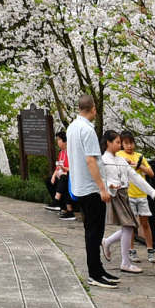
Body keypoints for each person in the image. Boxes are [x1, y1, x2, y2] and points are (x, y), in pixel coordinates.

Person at [66, 93, 114, 287]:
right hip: (91, 188)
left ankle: (98, 268)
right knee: (95, 231)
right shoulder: (87, 130)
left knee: (91, 231)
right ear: (93, 108)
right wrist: (102, 187)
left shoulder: (72, 127)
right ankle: (94, 273)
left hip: (79, 186)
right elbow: (91, 160)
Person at [97, 130, 142, 274]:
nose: (121, 145)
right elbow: (102, 177)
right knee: (129, 226)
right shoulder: (104, 159)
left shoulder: (119, 159)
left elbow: (134, 176)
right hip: (115, 195)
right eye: (118, 142)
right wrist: (109, 186)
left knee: (129, 226)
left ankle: (108, 242)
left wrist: (152, 192)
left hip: (123, 194)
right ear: (108, 143)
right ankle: (125, 262)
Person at [118, 133, 155, 262]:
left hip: (141, 194)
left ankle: (150, 250)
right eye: (126, 143)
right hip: (128, 194)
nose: (129, 146)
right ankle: (131, 250)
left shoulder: (139, 156)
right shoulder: (119, 155)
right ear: (122, 144)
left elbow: (151, 173)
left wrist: (139, 166)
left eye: (131, 143)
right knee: (131, 224)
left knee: (145, 223)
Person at [44, 130, 73, 217]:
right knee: (49, 180)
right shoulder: (61, 153)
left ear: (65, 141)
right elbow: (58, 167)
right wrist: (53, 176)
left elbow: (73, 168)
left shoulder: (70, 153)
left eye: (59, 140)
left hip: (69, 175)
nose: (57, 142)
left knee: (63, 178)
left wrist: (64, 169)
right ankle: (60, 205)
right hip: (62, 175)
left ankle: (57, 201)